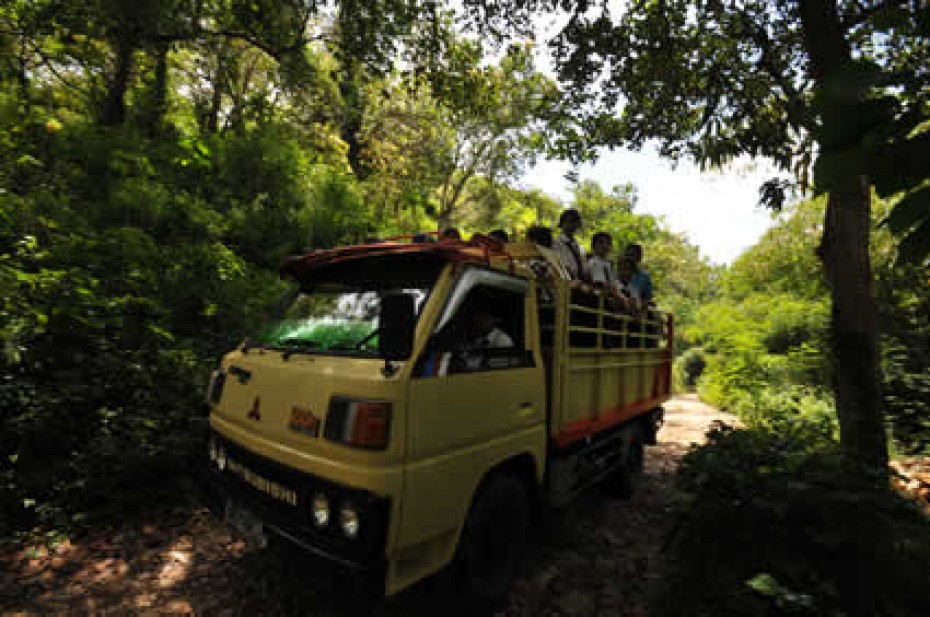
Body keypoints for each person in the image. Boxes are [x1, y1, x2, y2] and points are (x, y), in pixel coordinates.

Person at [553, 209, 588, 281]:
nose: (571, 225)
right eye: (567, 222)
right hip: (564, 282)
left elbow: (584, 267)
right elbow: (558, 265)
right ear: (561, 224)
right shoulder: (555, 243)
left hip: (582, 283)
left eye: (574, 222)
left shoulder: (580, 247)